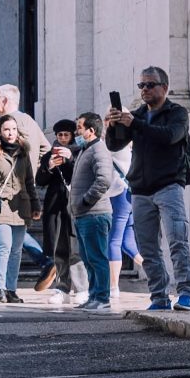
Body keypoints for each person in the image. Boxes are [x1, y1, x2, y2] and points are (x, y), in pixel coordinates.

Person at [105, 66, 190, 312]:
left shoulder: (176, 113)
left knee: (177, 241)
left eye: (150, 85)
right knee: (147, 248)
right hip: (140, 189)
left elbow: (170, 136)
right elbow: (115, 144)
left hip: (169, 185)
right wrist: (113, 125)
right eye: (141, 86)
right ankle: (159, 296)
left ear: (164, 87)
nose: (144, 90)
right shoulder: (137, 115)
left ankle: (187, 292)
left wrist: (135, 123)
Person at [0, 116, 36, 303]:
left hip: (20, 207)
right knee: (4, 247)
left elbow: (29, 181)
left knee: (16, 250)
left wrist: (36, 205)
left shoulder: (23, 152)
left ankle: (11, 288)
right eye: (6, 129)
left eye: (13, 129)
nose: (11, 133)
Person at [69, 113, 117, 312]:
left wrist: (86, 200)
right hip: (82, 214)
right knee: (88, 258)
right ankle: (94, 295)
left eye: (79, 127)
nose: (76, 132)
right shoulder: (85, 150)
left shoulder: (99, 149)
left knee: (97, 257)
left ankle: (102, 297)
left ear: (91, 130)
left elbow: (104, 179)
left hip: (94, 213)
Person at [35, 120, 82, 303]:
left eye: (66, 135)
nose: (62, 139)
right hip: (54, 206)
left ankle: (80, 287)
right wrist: (50, 166)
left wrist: (69, 159)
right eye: (60, 135)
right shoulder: (49, 155)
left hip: (74, 205)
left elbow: (79, 175)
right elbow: (40, 180)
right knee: (58, 247)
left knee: (75, 248)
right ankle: (62, 288)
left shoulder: (79, 153)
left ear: (72, 135)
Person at [106, 138, 143, 300]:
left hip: (119, 195)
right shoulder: (130, 149)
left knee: (113, 241)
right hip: (130, 195)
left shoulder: (117, 148)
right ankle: (158, 273)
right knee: (127, 243)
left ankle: (113, 287)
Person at [0, 84, 46, 179]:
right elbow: (46, 149)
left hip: (8, 184)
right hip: (28, 183)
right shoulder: (30, 120)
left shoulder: (4, 123)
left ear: (4, 101)